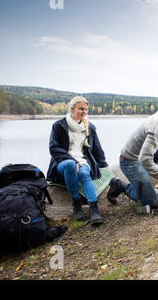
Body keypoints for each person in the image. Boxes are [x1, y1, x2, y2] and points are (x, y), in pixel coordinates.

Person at [47, 96, 108, 225]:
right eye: (81, 109)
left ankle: (94, 208)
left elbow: (97, 148)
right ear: (72, 108)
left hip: (83, 161)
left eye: (86, 109)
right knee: (70, 164)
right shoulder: (59, 125)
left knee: (84, 173)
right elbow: (54, 148)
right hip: (62, 163)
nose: (84, 112)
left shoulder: (89, 127)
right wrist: (73, 161)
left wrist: (104, 166)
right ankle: (76, 205)